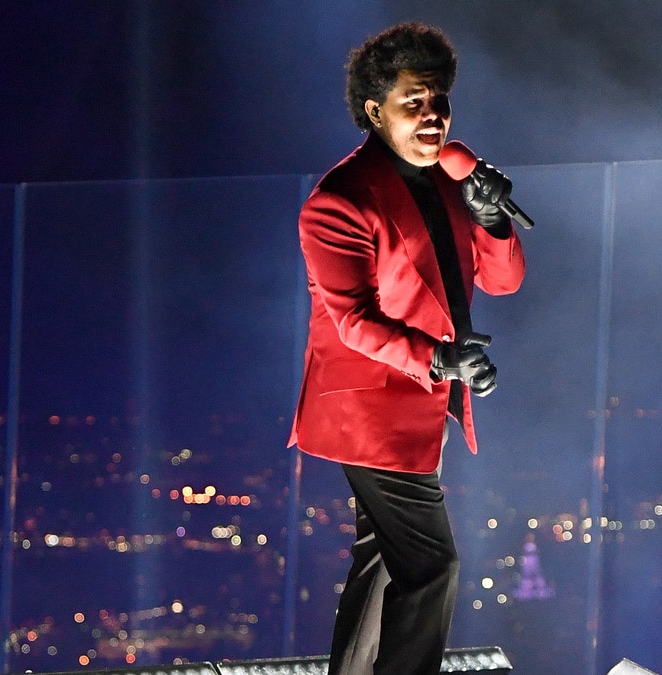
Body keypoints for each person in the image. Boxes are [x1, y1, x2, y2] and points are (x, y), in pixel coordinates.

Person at [288, 22, 525, 675]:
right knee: (431, 564)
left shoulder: (450, 183)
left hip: (418, 407)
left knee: (387, 559)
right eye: (413, 102)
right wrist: (443, 360)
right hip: (365, 412)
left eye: (439, 100)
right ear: (374, 111)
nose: (433, 115)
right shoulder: (339, 201)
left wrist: (494, 218)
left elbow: (502, 280)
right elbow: (352, 322)